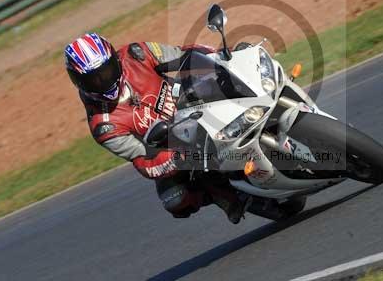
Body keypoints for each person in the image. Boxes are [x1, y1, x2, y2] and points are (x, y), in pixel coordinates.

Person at [64, 32, 249, 223]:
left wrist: (224, 57)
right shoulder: (104, 126)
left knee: (234, 82)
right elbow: (144, 159)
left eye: (107, 70)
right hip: (174, 146)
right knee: (175, 198)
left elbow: (184, 55)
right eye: (94, 79)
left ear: (114, 59)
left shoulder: (137, 54)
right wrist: (177, 158)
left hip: (193, 101)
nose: (105, 81)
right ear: (78, 82)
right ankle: (225, 196)